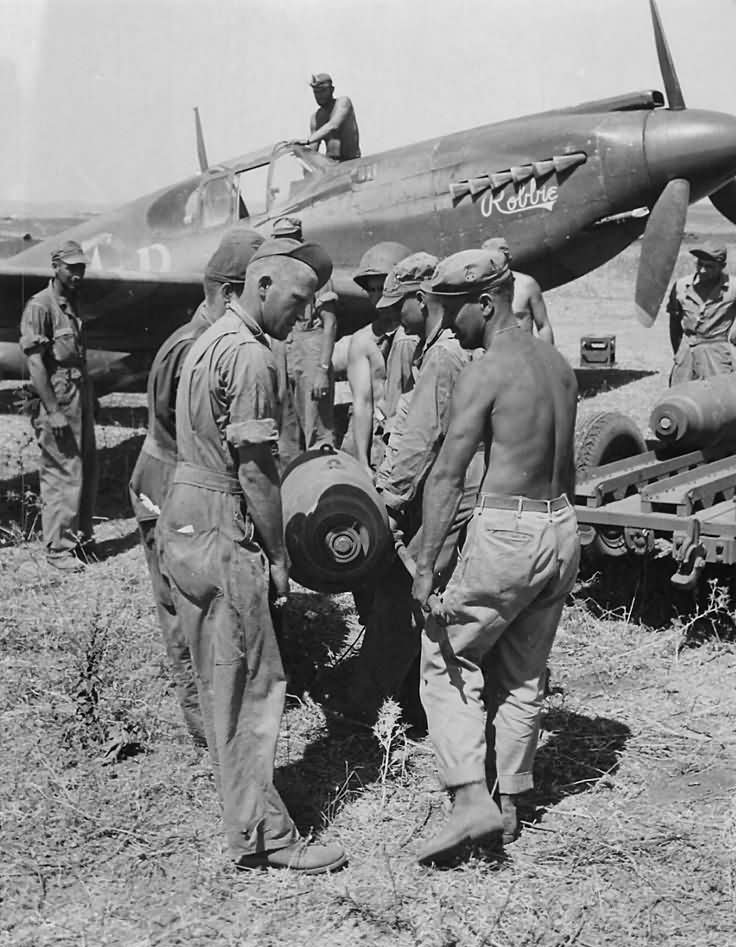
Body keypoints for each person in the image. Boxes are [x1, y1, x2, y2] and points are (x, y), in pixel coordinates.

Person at [157, 237, 346, 874]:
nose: (305, 314)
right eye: (298, 299)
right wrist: (279, 556)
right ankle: (265, 836)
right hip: (220, 519)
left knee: (220, 678)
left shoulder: (207, 338)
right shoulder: (252, 355)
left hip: (184, 512)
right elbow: (256, 472)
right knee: (252, 684)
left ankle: (244, 809)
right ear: (261, 286)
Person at [411, 248, 579, 867]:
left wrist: (426, 567)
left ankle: (468, 800)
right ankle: (510, 802)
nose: (446, 322)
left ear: (485, 304)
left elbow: (447, 475)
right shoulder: (558, 365)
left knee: (446, 652)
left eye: (453, 310)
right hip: (561, 526)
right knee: (524, 670)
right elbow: (565, 466)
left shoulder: (484, 372)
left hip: (508, 528)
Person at [129, 226, 264, 749]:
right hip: (171, 483)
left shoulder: (208, 341)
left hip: (183, 479)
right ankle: (206, 725)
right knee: (186, 608)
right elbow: (188, 435)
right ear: (230, 293)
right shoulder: (194, 347)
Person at [349, 252, 484, 723]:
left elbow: (421, 439)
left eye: (397, 305)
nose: (391, 315)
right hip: (449, 487)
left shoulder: (442, 356)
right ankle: (415, 700)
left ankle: (365, 707)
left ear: (421, 300)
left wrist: (388, 501)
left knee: (403, 597)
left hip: (452, 492)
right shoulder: (434, 348)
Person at [19, 240, 98, 572]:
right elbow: (36, 364)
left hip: (79, 394)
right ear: (55, 267)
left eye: (81, 267)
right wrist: (53, 411)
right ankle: (58, 549)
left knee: (85, 468)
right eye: (71, 268)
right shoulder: (40, 306)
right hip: (58, 397)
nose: (78, 274)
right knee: (61, 469)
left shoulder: (71, 303)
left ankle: (80, 538)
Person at [271, 216, 338, 469]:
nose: (285, 246)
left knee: (317, 430)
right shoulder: (274, 274)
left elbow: (330, 323)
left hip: (311, 348)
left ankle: (323, 482)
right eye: (280, 240)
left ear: (299, 240)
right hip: (281, 348)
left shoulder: (317, 273)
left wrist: (322, 370)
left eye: (289, 240)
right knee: (284, 433)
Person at [342, 241, 412, 470]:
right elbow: (362, 403)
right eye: (371, 290)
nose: (376, 296)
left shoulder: (416, 336)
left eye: (382, 287)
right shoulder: (363, 341)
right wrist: (363, 462)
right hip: (377, 441)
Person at [667, 243, 736, 385]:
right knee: (679, 395)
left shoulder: (733, 288)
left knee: (718, 394)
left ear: (722, 266)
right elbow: (674, 324)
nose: (702, 270)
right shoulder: (681, 286)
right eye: (699, 264)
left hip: (718, 358)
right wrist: (679, 354)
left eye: (709, 266)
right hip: (686, 356)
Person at [482, 237, 554, 343]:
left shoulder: (527, 285)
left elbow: (543, 326)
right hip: (494, 350)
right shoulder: (480, 289)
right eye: (490, 261)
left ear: (508, 258)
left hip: (525, 349)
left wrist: (548, 352)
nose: (494, 265)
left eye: (497, 259)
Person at [299, 73, 360, 162]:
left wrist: (308, 140)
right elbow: (313, 150)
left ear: (332, 90)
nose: (319, 95)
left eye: (323, 91)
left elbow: (333, 125)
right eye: (316, 92)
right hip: (331, 165)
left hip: (351, 163)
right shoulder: (316, 117)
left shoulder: (343, 103)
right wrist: (300, 152)